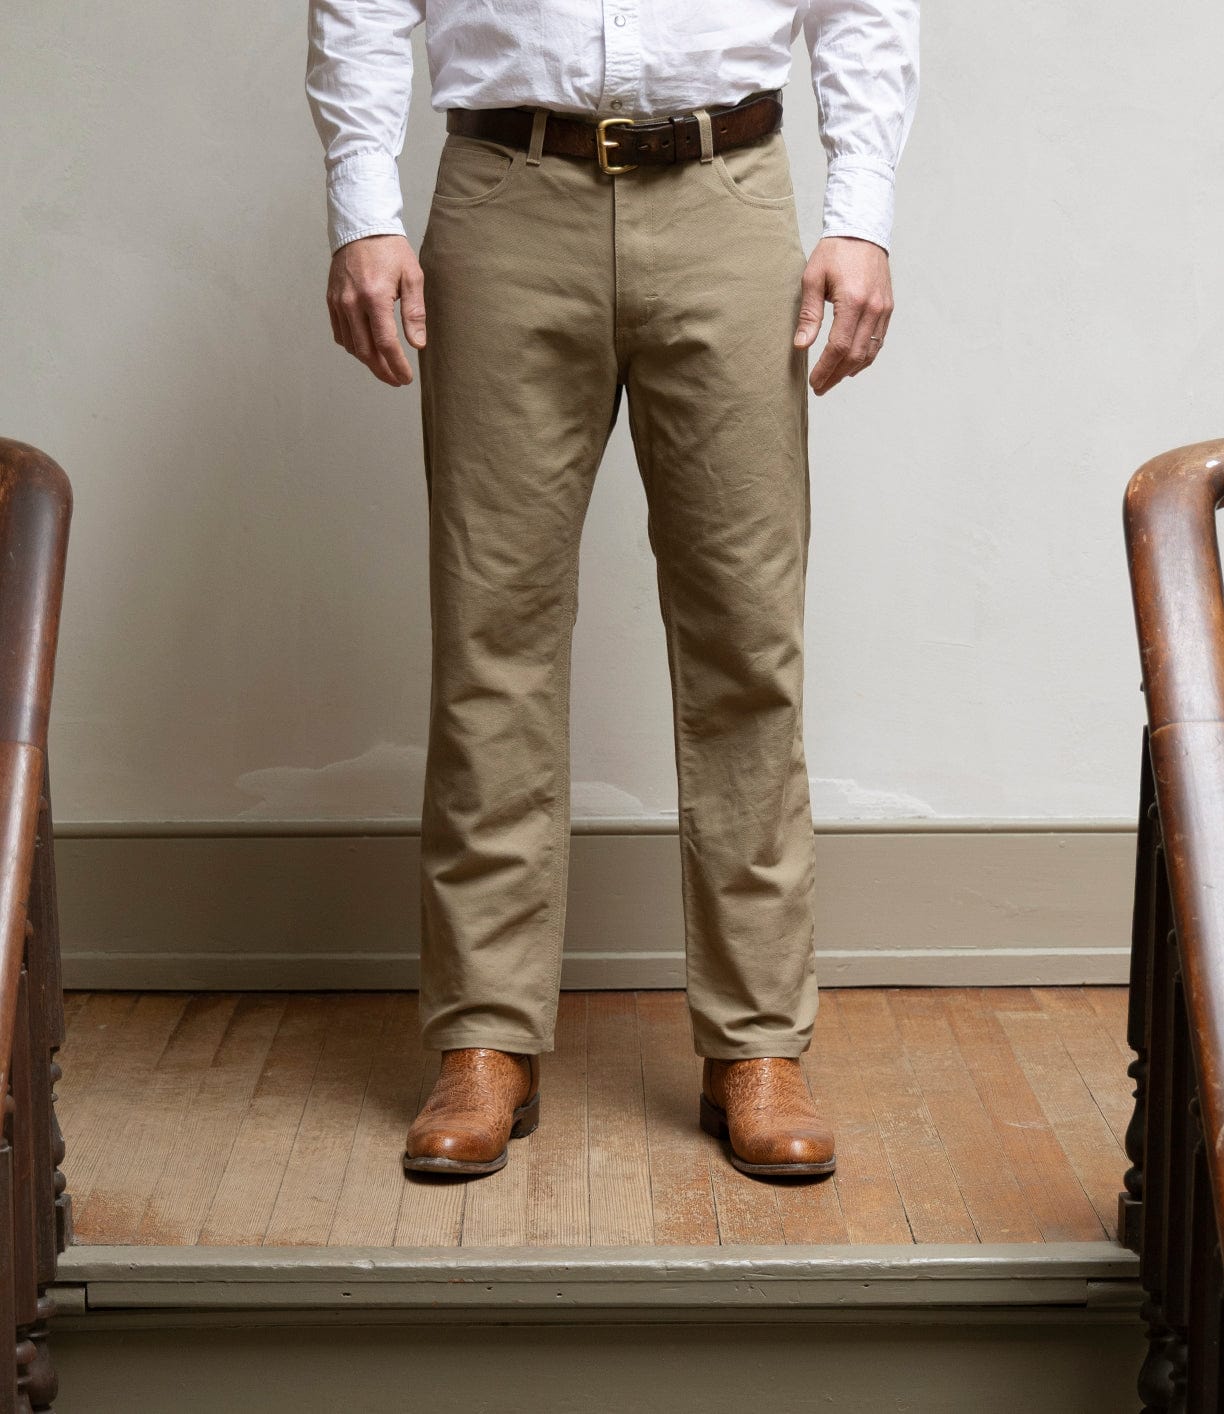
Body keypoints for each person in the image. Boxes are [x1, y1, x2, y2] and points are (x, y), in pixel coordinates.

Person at [305, 0, 919, 1181]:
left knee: (747, 635)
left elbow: (864, 6)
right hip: (503, 186)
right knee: (494, 632)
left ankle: (757, 1038)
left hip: (728, 189)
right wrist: (362, 210)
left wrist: (863, 215)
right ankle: (483, 1035)